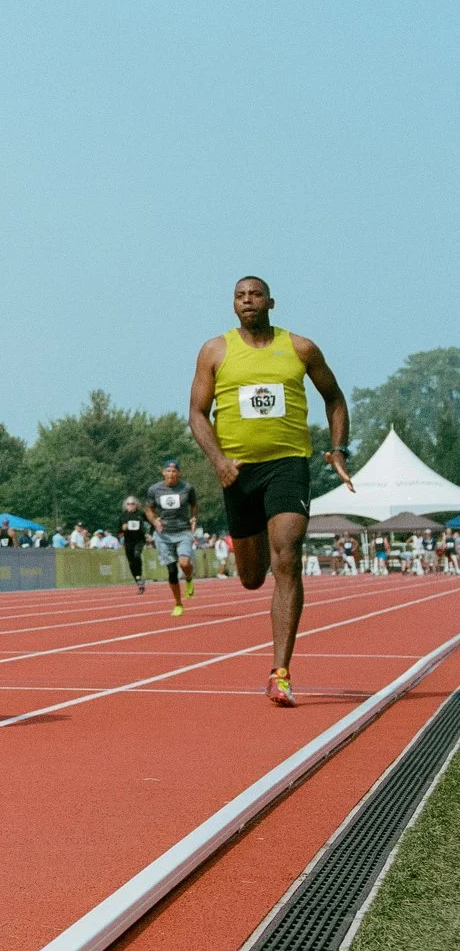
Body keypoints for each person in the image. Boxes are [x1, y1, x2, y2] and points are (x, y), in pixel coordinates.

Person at [186, 276, 352, 706]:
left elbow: (334, 398)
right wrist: (219, 461)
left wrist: (338, 448)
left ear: (271, 302)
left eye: (255, 294)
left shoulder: (300, 348)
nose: (248, 301)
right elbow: (197, 413)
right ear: (233, 306)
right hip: (238, 473)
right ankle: (254, 530)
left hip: (288, 465)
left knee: (288, 556)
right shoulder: (215, 351)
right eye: (240, 296)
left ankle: (280, 672)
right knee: (250, 577)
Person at [144, 460, 199, 613]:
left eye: (174, 471)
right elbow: (148, 509)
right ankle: (178, 603)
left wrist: (194, 518)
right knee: (172, 571)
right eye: (168, 471)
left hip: (183, 531)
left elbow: (194, 504)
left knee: (185, 563)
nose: (171, 474)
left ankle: (188, 578)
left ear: (179, 473)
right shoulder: (154, 489)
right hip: (164, 534)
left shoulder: (187, 488)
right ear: (163, 472)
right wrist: (155, 521)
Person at [117, 495, 152, 593]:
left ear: (136, 505)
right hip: (128, 541)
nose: (130, 506)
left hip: (139, 540)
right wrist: (122, 530)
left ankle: (139, 575)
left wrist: (149, 534)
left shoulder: (141, 514)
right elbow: (118, 531)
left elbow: (151, 522)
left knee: (137, 555)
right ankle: (138, 580)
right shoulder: (123, 516)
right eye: (128, 504)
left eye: (132, 504)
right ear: (126, 505)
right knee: (131, 561)